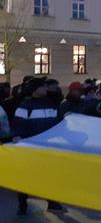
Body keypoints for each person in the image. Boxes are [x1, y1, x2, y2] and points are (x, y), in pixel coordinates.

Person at [11, 77, 66, 215]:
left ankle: (52, 202)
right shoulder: (25, 106)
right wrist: (17, 136)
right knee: (25, 177)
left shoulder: (50, 104)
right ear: (35, 90)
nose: (46, 88)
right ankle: (22, 204)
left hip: (48, 147)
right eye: (42, 86)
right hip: (29, 149)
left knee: (49, 175)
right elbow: (18, 125)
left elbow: (57, 123)